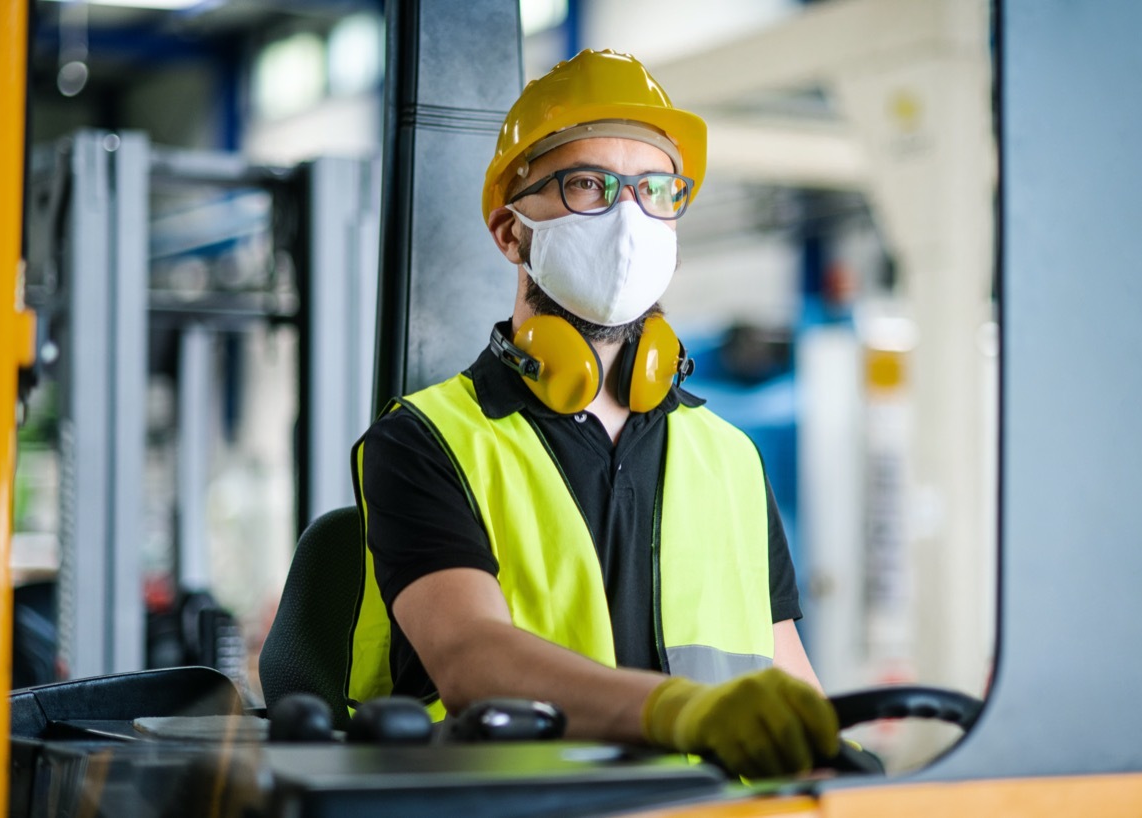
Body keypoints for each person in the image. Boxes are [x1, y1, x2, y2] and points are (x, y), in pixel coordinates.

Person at [349, 49, 838, 779]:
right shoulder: (427, 441)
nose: (628, 220)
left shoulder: (728, 455)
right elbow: (470, 657)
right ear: (510, 232)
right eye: (589, 186)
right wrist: (681, 712)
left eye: (656, 191)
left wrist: (844, 766)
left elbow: (786, 673)